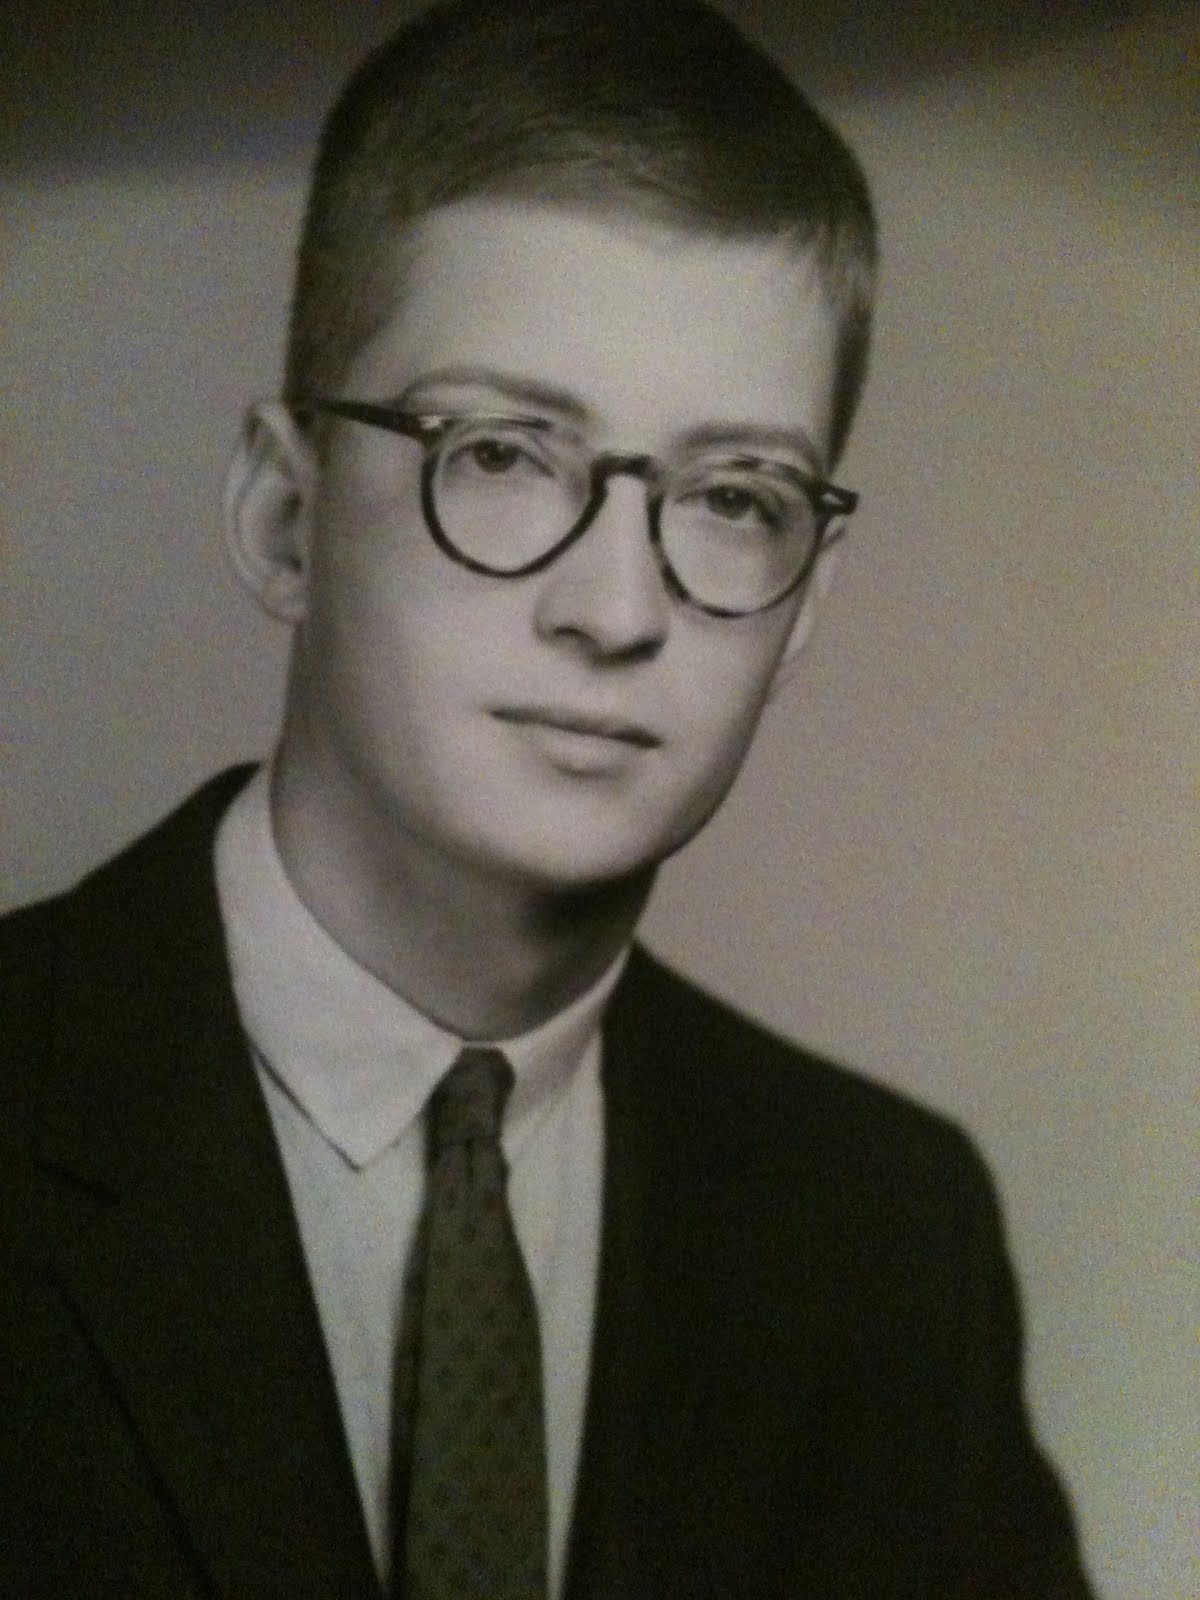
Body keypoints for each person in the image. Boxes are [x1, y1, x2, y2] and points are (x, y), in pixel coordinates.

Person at [1, 1, 1096, 1595]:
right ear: (284, 516)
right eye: (507, 454)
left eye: (733, 497)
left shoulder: (884, 1238)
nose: (616, 607)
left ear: (807, 601)